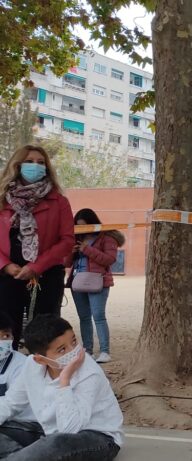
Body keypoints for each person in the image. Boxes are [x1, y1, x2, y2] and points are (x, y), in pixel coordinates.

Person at [0, 315, 123, 460]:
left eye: (74, 341)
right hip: (48, 434)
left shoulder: (89, 372)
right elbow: (11, 403)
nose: (73, 351)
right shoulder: (31, 366)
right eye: (62, 350)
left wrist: (64, 380)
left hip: (98, 438)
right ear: (40, 359)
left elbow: (70, 429)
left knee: (56, 443)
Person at [0, 145, 74, 347]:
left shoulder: (59, 201)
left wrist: (37, 266)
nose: (36, 166)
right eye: (30, 161)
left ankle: (44, 366)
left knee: (46, 334)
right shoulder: (2, 200)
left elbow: (67, 240)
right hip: (7, 276)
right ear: (17, 165)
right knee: (6, 331)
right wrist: (6, 265)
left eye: (41, 163)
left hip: (46, 276)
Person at [67, 209, 124, 364]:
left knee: (98, 316)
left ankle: (105, 351)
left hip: (98, 282)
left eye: (84, 226)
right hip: (77, 282)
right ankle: (88, 350)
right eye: (78, 226)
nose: (82, 230)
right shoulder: (76, 238)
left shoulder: (107, 237)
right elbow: (66, 263)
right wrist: (70, 252)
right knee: (84, 317)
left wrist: (87, 249)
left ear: (93, 223)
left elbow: (109, 259)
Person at [0, 312, 43, 457]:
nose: (3, 341)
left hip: (26, 425)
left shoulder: (22, 365)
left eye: (6, 335)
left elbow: (11, 406)